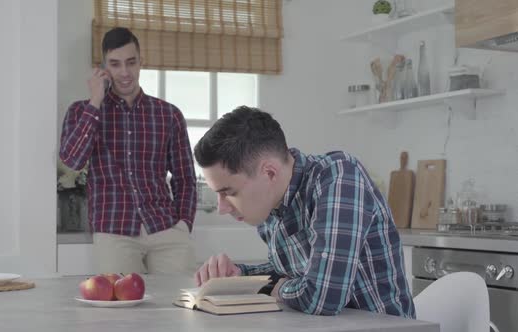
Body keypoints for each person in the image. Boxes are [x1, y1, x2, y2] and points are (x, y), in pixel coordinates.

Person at [193, 106, 415, 317]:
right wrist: (240, 276)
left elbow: (323, 297)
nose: (222, 208)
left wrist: (279, 290)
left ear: (269, 173)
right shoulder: (270, 207)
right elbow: (295, 272)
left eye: (229, 192)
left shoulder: (339, 177)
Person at [59, 27, 197, 275]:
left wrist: (184, 223)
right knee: (123, 313)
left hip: (165, 228)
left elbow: (185, 178)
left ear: (141, 62)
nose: (124, 72)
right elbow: (72, 160)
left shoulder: (168, 114)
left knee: (181, 305)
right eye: (115, 64)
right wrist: (95, 102)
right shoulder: (81, 111)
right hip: (114, 231)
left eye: (131, 63)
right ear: (103, 68)